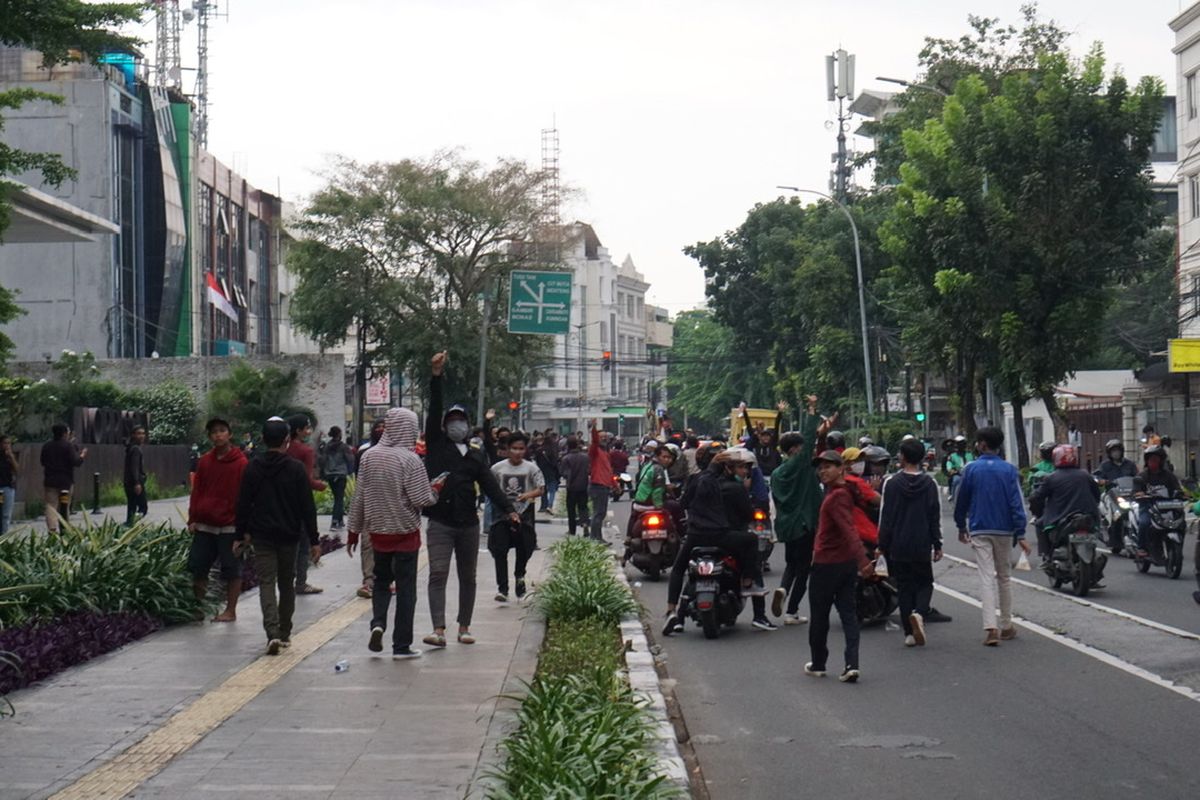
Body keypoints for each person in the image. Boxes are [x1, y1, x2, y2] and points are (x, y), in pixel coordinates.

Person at [422, 352, 516, 647]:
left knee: (468, 577)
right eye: (452, 420)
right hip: (439, 522)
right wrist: (436, 375)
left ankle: (464, 627)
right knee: (437, 573)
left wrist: (509, 509)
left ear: (467, 425)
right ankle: (439, 629)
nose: (456, 425)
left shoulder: (475, 454)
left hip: (468, 525)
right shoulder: (437, 447)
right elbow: (434, 409)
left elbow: (489, 484)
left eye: (461, 421)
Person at [349, 407, 439, 659]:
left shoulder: (369, 456)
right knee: (406, 589)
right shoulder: (410, 460)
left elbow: (359, 497)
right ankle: (401, 646)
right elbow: (422, 498)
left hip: (378, 533)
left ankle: (378, 623)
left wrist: (353, 530)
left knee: (380, 582)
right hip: (405, 534)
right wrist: (436, 490)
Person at [235, 417, 320, 655]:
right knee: (286, 584)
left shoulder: (252, 466)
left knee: (266, 583)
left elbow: (243, 503)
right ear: (286, 439)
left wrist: (240, 534)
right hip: (289, 535)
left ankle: (271, 632)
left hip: (262, 535)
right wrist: (314, 540)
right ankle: (284, 632)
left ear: (262, 439)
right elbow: (307, 506)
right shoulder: (295, 468)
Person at [661, 449, 763, 636]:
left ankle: (671, 610)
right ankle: (749, 580)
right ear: (725, 467)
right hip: (720, 536)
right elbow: (746, 515)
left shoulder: (695, 479)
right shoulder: (728, 485)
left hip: (694, 536)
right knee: (751, 540)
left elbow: (683, 503)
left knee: (678, 569)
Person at [953, 426, 1030, 647]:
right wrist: (1021, 532)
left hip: (979, 528)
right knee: (1004, 577)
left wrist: (961, 526)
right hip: (1004, 530)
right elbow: (1017, 504)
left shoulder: (971, 469)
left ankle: (991, 628)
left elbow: (962, 500)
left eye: (978, 442)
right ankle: (1007, 625)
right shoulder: (1009, 470)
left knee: (986, 577)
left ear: (983, 444)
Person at [806, 450, 872, 682]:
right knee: (848, 614)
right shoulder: (842, 492)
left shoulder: (837, 498)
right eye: (821, 467)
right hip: (845, 564)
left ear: (841, 468)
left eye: (828, 466)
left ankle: (818, 663)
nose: (823, 471)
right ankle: (851, 663)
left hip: (828, 565)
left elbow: (849, 529)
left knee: (820, 615)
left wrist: (863, 560)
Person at [877, 439, 942, 648]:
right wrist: (937, 543)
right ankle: (920, 613)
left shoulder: (891, 483)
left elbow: (885, 517)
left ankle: (909, 633)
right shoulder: (930, 484)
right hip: (921, 541)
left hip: (898, 542)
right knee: (925, 583)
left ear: (902, 457)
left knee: (904, 587)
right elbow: (935, 515)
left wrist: (882, 545)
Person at [187, 418, 249, 622]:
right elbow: (197, 491)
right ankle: (198, 608)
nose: (218, 435)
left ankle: (230, 610)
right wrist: (192, 518)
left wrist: (245, 528)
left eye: (222, 430)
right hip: (205, 524)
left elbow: (247, 496)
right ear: (209, 436)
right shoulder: (204, 461)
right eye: (214, 432)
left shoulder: (241, 463)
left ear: (229, 434)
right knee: (199, 567)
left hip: (230, 526)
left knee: (232, 569)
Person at [769, 396, 825, 624]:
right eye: (802, 448)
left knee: (792, 564)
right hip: (804, 524)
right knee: (804, 569)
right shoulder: (799, 465)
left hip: (787, 526)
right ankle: (792, 611)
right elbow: (810, 438)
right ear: (794, 450)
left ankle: (783, 588)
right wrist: (812, 410)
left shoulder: (776, 474)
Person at [1029, 444, 1104, 577]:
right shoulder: (1085, 475)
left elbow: (1036, 498)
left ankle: (1046, 556)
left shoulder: (1051, 478)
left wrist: (1037, 511)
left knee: (1039, 525)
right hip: (1088, 517)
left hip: (1059, 518)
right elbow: (1096, 495)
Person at [489, 432, 545, 602]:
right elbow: (490, 488)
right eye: (514, 448)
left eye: (521, 449)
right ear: (507, 449)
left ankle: (520, 578)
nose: (517, 452)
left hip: (524, 515)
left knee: (524, 549)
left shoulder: (532, 468)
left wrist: (527, 495)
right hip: (502, 515)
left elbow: (541, 488)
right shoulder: (497, 468)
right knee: (500, 551)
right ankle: (502, 589)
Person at [286, 414, 327, 595]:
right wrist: (322, 486)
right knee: (303, 546)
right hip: (301, 503)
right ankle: (300, 583)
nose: (309, 431)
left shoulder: (283, 449)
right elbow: (307, 481)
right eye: (307, 428)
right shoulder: (306, 451)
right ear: (298, 431)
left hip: (283, 503)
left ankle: (287, 581)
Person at [1132, 444, 1182, 558]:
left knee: (1180, 522)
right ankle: (1141, 547)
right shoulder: (1142, 476)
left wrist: (1181, 494)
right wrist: (1140, 493)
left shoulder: (1169, 476)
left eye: (1156, 459)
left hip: (1166, 506)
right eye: (1151, 459)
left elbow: (1177, 488)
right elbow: (1135, 491)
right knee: (1144, 523)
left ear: (1161, 460)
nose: (1153, 461)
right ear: (1147, 460)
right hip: (1148, 506)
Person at [40, 424, 85, 533]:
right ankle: (64, 528)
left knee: (51, 505)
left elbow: (42, 462)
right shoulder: (68, 446)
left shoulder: (46, 446)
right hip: (66, 481)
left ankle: (52, 529)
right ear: (65, 433)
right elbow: (76, 462)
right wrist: (82, 455)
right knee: (65, 505)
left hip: (50, 481)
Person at [321, 426, 354, 531]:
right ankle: (335, 521)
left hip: (330, 474)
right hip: (340, 475)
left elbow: (322, 460)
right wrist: (350, 471)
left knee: (337, 497)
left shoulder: (326, 447)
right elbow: (350, 459)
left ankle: (340, 520)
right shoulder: (344, 447)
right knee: (339, 498)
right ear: (339, 434)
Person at [587, 421, 613, 541]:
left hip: (604, 486)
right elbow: (595, 441)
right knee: (598, 514)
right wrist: (594, 428)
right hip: (598, 486)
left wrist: (615, 485)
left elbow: (609, 472)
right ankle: (594, 538)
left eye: (605, 437)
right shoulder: (595, 450)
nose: (603, 439)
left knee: (601, 514)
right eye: (601, 437)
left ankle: (598, 537)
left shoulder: (605, 453)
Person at [559, 437, 589, 536]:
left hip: (571, 487)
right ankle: (585, 523)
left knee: (571, 509)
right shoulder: (585, 457)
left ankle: (572, 530)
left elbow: (563, 473)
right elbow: (589, 470)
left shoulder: (566, 458)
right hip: (583, 486)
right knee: (583, 507)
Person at [123, 425, 148, 526]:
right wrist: (137, 482)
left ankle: (130, 524)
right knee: (143, 508)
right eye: (139, 433)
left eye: (143, 433)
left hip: (129, 482)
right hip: (135, 482)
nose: (142, 436)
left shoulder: (131, 448)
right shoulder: (136, 449)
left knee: (132, 506)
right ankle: (131, 524)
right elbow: (134, 467)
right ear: (133, 435)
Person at [536, 431, 561, 514]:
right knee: (552, 490)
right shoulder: (552, 451)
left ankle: (543, 505)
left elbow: (537, 462)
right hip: (551, 473)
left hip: (542, 473)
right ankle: (550, 506)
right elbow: (555, 463)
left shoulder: (539, 450)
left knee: (543, 490)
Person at [0, 435, 17, 536]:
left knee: (6, 514)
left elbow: (17, 470)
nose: (7, 445)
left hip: (7, 487)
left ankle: (4, 536)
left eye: (9, 443)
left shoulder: (10, 456)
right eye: (5, 443)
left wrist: (11, 457)